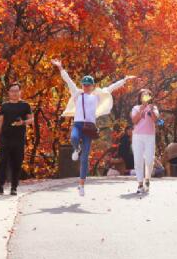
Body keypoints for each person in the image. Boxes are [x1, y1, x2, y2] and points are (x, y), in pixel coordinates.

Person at [52, 59, 135, 197]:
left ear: (92, 86)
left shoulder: (97, 96)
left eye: (88, 85)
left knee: (85, 158)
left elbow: (111, 88)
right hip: (78, 124)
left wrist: (124, 80)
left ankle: (82, 184)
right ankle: (76, 148)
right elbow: (68, 80)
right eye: (84, 84)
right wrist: (60, 67)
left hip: (90, 127)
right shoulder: (77, 94)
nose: (86, 87)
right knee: (73, 138)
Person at [0, 83, 33, 196]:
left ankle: (14, 187)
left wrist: (23, 122)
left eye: (16, 90)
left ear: (20, 92)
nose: (14, 93)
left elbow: (31, 120)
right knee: (2, 162)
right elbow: (0, 122)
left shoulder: (25, 105)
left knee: (16, 163)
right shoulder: (4, 106)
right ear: (8, 93)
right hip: (5, 138)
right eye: (12, 91)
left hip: (19, 139)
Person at [130, 89, 159, 193]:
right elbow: (134, 121)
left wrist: (150, 109)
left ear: (150, 97)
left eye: (147, 95)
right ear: (140, 97)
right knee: (138, 160)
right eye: (143, 95)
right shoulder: (136, 108)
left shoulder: (153, 107)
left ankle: (147, 180)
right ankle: (140, 184)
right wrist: (142, 108)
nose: (145, 96)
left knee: (150, 160)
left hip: (150, 136)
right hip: (137, 136)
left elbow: (156, 120)